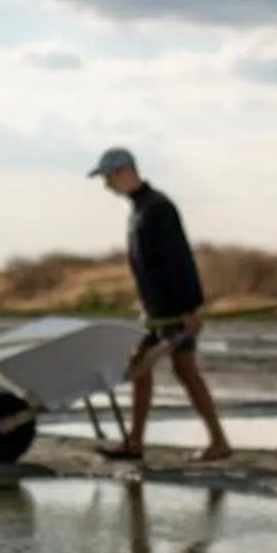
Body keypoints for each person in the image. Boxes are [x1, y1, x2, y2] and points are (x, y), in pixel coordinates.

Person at [89, 147, 233, 463]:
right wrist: (148, 308)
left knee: (183, 370)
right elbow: (148, 267)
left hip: (175, 308)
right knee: (141, 365)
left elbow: (179, 260)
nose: (106, 186)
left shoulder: (158, 208)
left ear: (124, 171)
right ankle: (136, 442)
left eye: (108, 178)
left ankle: (217, 442)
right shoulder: (139, 209)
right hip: (157, 311)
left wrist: (190, 309)